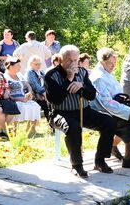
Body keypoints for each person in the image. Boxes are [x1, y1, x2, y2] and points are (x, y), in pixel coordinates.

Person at [45, 45, 116, 178]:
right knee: (73, 128)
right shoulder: (51, 75)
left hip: (83, 110)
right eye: (69, 60)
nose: (73, 64)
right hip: (60, 113)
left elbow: (92, 95)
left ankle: (100, 160)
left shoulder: (83, 72)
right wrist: (69, 80)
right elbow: (56, 100)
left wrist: (82, 86)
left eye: (75, 60)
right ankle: (77, 165)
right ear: (60, 59)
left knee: (109, 121)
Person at [90, 48, 130, 169]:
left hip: (114, 106)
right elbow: (106, 102)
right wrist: (129, 111)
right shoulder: (99, 77)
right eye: (110, 63)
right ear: (102, 61)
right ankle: (128, 158)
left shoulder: (106, 73)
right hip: (102, 110)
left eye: (114, 63)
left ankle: (126, 155)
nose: (113, 66)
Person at [3, 57, 41, 136]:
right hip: (13, 100)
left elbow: (27, 85)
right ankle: (14, 129)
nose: (20, 67)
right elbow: (7, 93)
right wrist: (19, 99)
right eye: (18, 65)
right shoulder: (5, 77)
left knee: (35, 105)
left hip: (24, 98)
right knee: (20, 106)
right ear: (11, 66)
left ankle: (31, 128)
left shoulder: (19, 75)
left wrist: (30, 93)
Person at [25, 55, 49, 120]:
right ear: (31, 64)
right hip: (34, 95)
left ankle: (52, 125)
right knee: (43, 109)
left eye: (39, 64)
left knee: (48, 109)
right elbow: (35, 85)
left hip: (43, 94)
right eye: (36, 64)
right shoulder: (30, 72)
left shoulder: (41, 72)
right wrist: (44, 93)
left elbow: (46, 82)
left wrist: (46, 92)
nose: (38, 65)